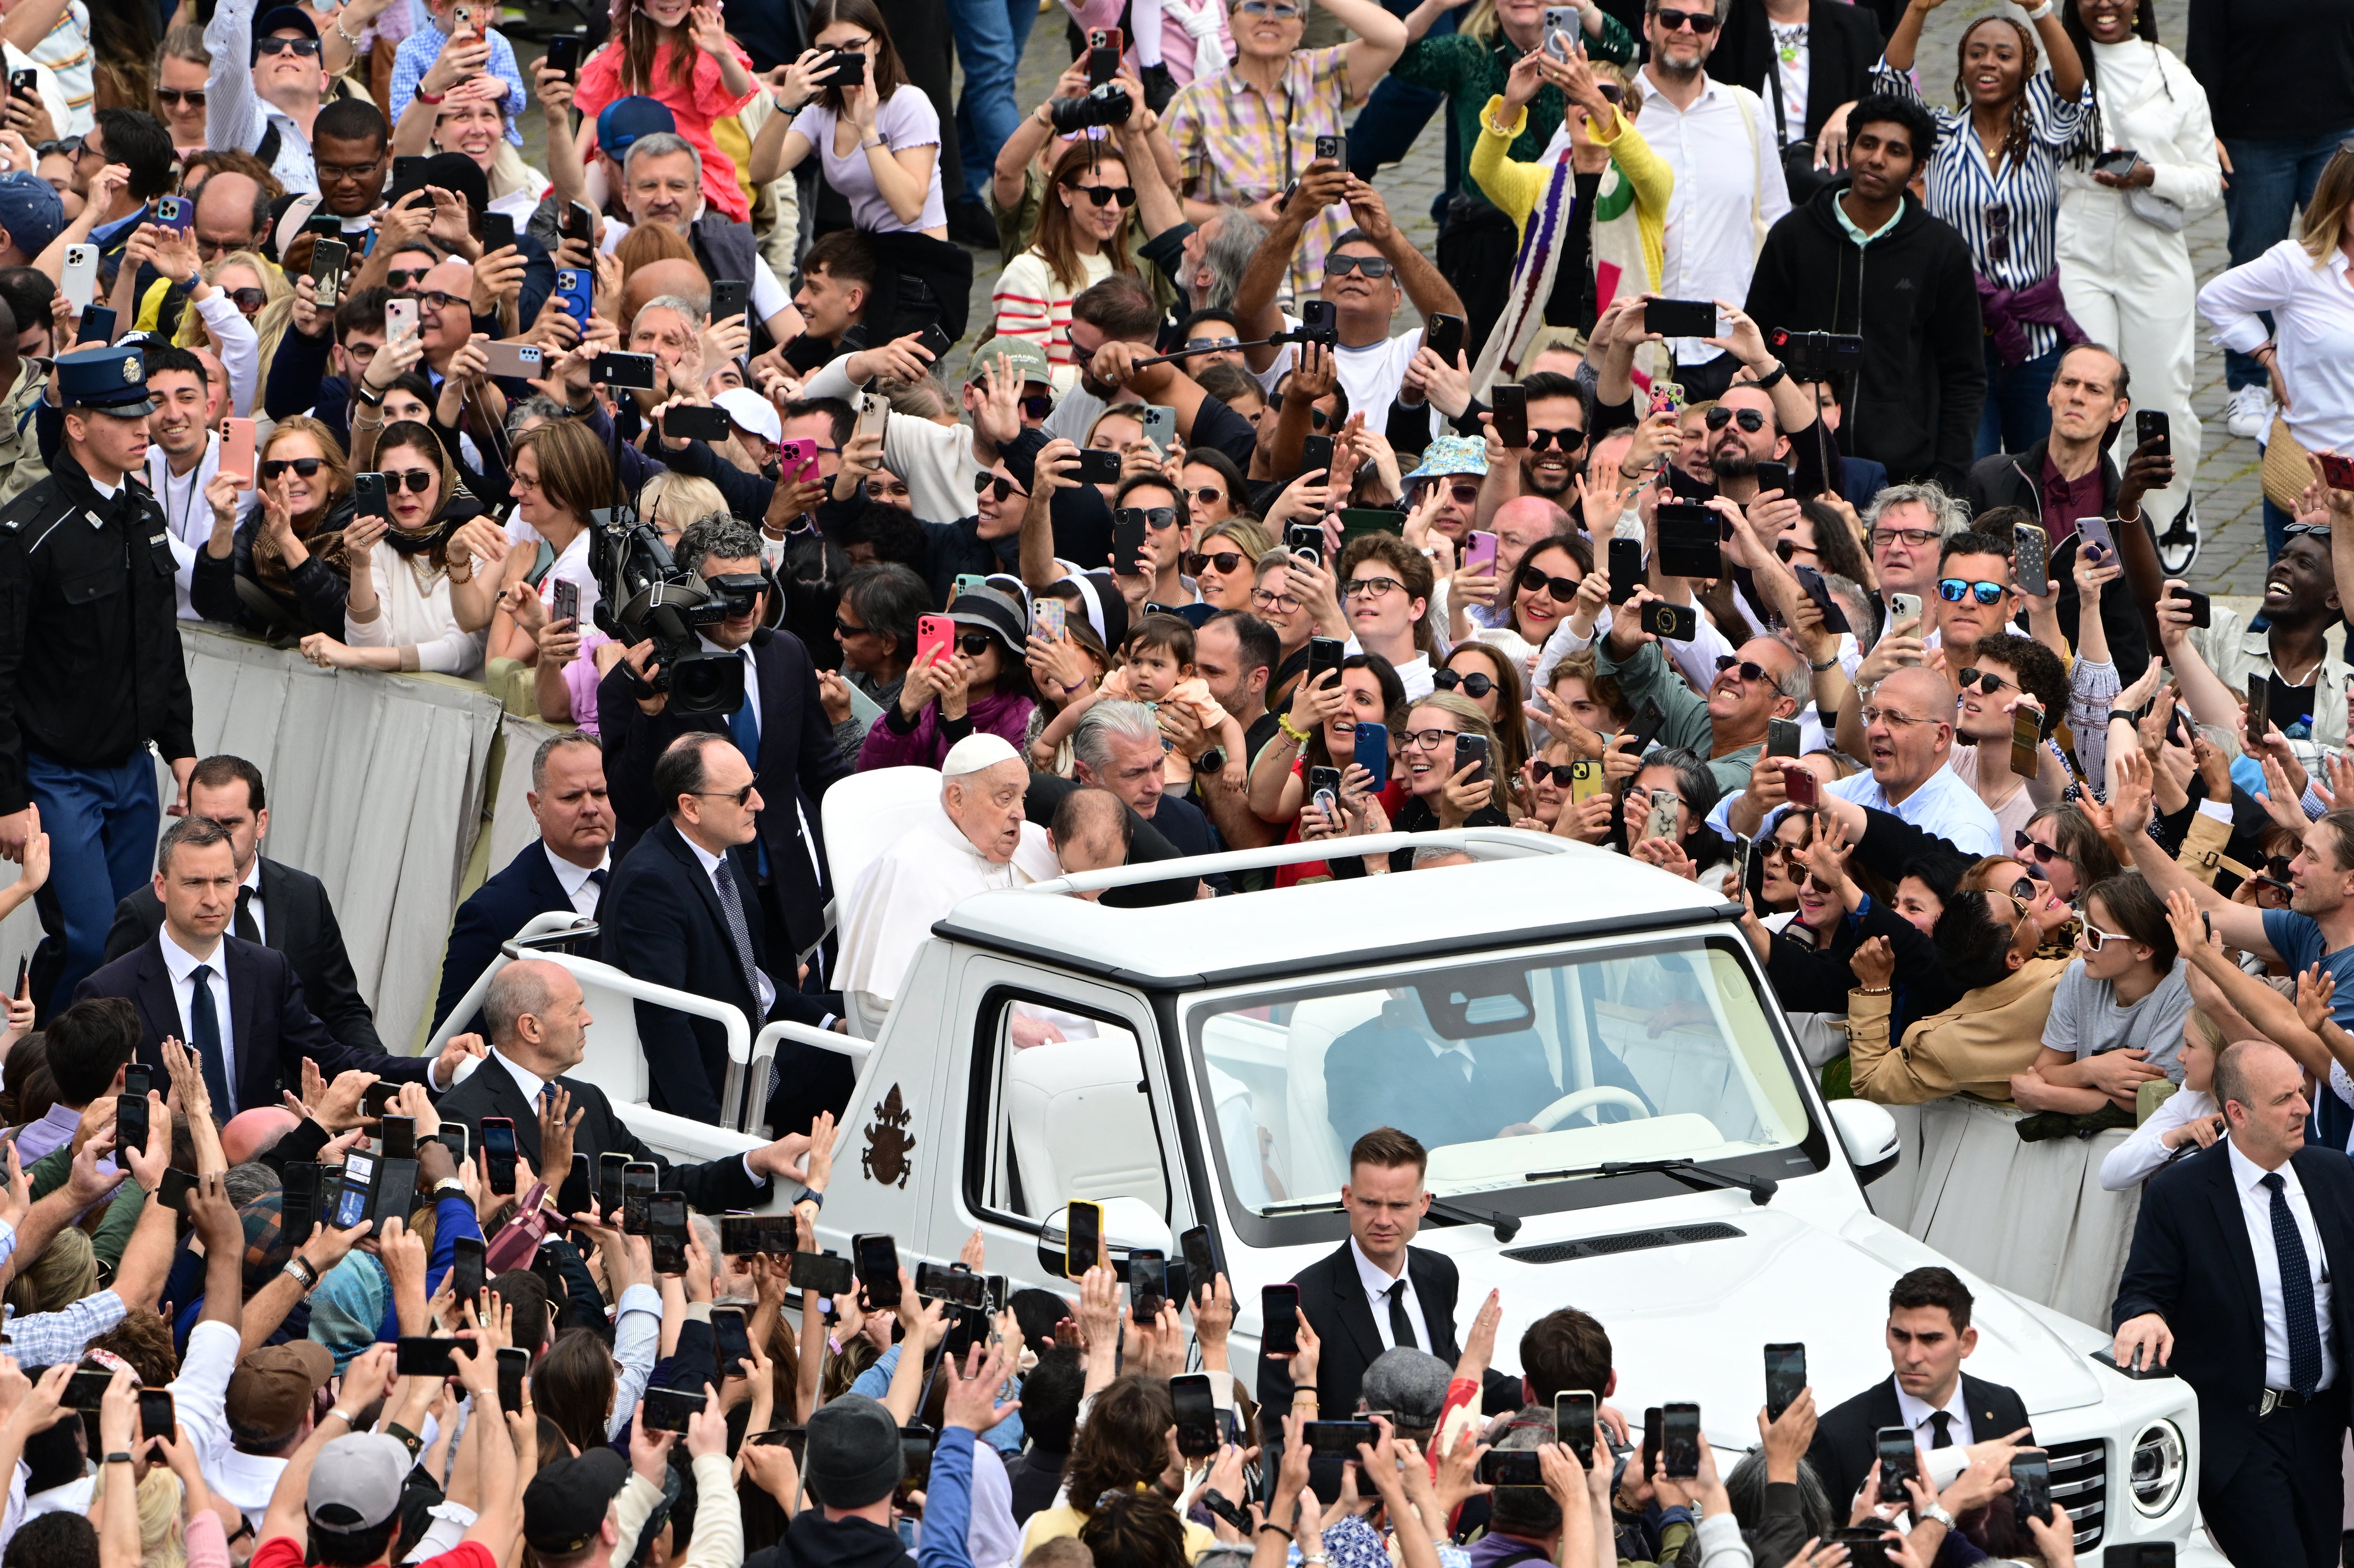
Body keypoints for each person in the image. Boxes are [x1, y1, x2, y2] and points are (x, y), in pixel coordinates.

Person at [0, 341, 195, 1013]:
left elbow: (159, 647)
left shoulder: (143, 515)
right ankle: (40, 1074)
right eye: (122, 414)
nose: (146, 426)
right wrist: (7, 795)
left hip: (132, 769)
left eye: (144, 411)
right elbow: (0, 673)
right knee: (86, 938)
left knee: (127, 942)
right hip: (57, 775)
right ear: (77, 425)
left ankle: (86, 1078)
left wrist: (183, 753)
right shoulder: (28, 531)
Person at [2111, 1038, 2354, 1568]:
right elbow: (2141, 1289)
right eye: (2283, 1099)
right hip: (2241, 1432)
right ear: (2237, 1113)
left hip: (2322, 1425)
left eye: (2300, 1090)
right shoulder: (2180, 1195)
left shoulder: (2336, 1177)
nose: (2303, 1108)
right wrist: (2145, 1314)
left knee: (2319, 1557)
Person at [599, 518, 850, 1001]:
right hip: (686, 902)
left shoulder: (786, 655)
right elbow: (631, 805)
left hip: (778, 896)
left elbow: (823, 771)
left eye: (756, 587)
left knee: (775, 1050)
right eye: (728, 590)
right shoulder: (641, 678)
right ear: (690, 592)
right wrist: (649, 714)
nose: (747, 605)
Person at [74, 816, 464, 1111]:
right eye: (194, 883)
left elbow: (332, 1059)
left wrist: (433, 1071)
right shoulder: (109, 990)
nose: (213, 899)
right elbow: (89, 1110)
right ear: (161, 886)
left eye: (224, 882)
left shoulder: (267, 971)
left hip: (258, 1178)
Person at [434, 958, 824, 1214]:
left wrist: (754, 1161)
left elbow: (664, 1185)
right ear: (531, 1028)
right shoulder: (463, 1117)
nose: (588, 1019)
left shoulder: (587, 1102)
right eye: (575, 1009)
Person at [1872, 0, 2088, 458]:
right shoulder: (1940, 136)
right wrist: (1915, 10)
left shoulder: (2045, 137)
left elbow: (2072, 87)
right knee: (1972, 472)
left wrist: (2040, 10)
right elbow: (1890, 84)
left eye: (2003, 54)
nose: (1988, 63)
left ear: (2024, 68)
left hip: (2035, 340)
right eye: (1976, 53)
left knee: (2041, 472)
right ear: (1962, 66)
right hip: (1958, 339)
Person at [1744, 93, 1984, 491]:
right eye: (1868, 144)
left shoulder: (1942, 250)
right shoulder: (1793, 236)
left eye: (1896, 151)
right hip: (1799, 462)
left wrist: (1946, 477)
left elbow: (1965, 376)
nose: (1877, 159)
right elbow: (1759, 348)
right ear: (1851, 148)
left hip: (1903, 475)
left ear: (1918, 167)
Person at [603, 734, 840, 1130]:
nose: (758, 802)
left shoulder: (718, 852)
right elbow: (665, 1024)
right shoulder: (652, 886)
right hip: (733, 1084)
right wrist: (709, 1137)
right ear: (690, 807)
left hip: (759, 1045)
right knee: (867, 1071)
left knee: (870, 1020)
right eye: (741, 795)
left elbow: (754, 981)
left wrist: (832, 1024)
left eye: (754, 784)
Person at [2053, 0, 2217, 554]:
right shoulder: (2055, 59)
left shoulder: (2170, 72)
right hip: (2079, 243)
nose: (2105, 4)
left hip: (2154, 247)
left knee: (2161, 389)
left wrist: (2152, 174)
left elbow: (2207, 182)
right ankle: (2094, 511)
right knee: (2088, 383)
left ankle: (2167, 507)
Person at [1382, 0, 1635, 355]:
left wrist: (1582, 6)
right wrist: (1435, 6)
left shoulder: (1574, 53)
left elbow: (1621, 46)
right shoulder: (1469, 52)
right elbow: (1395, 56)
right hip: (1484, 230)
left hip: (1555, 221)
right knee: (1474, 347)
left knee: (1551, 344)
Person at [100, 754, 382, 1057]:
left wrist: (384, 1082)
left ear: (261, 823)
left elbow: (343, 1008)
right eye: (204, 822)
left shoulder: (305, 895)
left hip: (294, 1096)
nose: (217, 836)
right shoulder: (145, 910)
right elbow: (112, 1025)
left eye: (231, 824)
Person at [1159, 0, 1410, 303]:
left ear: (1302, 27)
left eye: (1284, 9)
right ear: (1230, 22)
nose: (1269, 18)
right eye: (1255, 6)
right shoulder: (1194, 102)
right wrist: (1242, 217)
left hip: (1327, 278)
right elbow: (1165, 202)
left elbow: (1393, 36)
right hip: (1241, 284)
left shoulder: (1322, 74)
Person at [1962, 341, 2164, 673]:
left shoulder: (2122, 518)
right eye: (2069, 384)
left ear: (2119, 409)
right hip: (1985, 677)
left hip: (2076, 693)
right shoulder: (1991, 480)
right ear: (2051, 392)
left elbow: (2128, 640)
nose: (2078, 397)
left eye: (2094, 390)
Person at [1253, 1127, 1475, 1425]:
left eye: (1398, 1205)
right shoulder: (1305, 1302)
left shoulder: (1440, 1276)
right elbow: (1280, 1434)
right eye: (1370, 1203)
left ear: (1423, 1204)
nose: (1383, 1220)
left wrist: (1538, 1387)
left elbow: (1451, 1368)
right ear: (1348, 1198)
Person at [836, 733, 1054, 1035]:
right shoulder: (905, 868)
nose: (1021, 813)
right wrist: (1007, 1025)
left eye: (1023, 798)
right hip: (967, 1042)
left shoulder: (1034, 841)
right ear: (957, 799)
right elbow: (887, 1003)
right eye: (1006, 798)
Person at [2196, 143, 2354, 560]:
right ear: (2340, 201)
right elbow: (2216, 298)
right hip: (2307, 467)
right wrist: (2266, 355)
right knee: (2294, 609)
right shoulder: (2297, 265)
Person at [1632, 0, 1792, 400]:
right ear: (1649, 26)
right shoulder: (1611, 108)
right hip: (1639, 349)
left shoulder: (1747, 110)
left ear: (1716, 36)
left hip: (1728, 353)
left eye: (1702, 22)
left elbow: (1777, 225)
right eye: (1672, 18)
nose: (1687, 30)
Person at [1806, 1266, 2033, 1513]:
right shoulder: (1839, 1435)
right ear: (1887, 1332)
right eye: (1901, 1337)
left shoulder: (2005, 1407)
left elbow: (2032, 1518)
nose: (1912, 1356)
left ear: (1966, 1343)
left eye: (1930, 1339)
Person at [432, 733, 614, 1033]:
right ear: (536, 805)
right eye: (571, 797)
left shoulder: (647, 875)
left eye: (600, 793)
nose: (590, 808)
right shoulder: (493, 912)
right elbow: (456, 1042)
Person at [756, 0, 946, 240]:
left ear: (878, 43)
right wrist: (785, 104)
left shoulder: (908, 103)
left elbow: (909, 210)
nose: (842, 59)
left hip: (921, 256)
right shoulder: (822, 112)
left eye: (854, 46)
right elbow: (762, 172)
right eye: (828, 51)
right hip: (870, 253)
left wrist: (868, 131)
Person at [572, 0, 757, 226]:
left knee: (684, 221)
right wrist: (576, 158)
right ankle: (586, 257)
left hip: (685, 156)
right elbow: (596, 110)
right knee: (577, 209)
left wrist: (722, 55)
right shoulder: (623, 48)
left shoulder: (703, 42)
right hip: (623, 155)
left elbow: (739, 89)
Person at [989, 140, 1142, 391]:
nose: (1114, 208)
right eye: (1100, 195)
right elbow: (1017, 372)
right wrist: (1107, 380)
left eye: (1125, 196)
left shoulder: (1120, 268)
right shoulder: (1030, 272)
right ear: (1064, 193)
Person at [202, 0, 340, 194]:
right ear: (252, 77)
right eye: (271, 46)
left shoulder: (350, 128)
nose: (287, 51)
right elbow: (228, 64)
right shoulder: (241, 123)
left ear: (324, 80)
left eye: (304, 47)